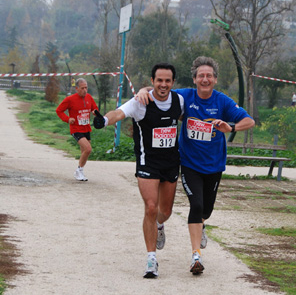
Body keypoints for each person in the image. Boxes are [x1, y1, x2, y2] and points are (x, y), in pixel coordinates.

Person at [137, 56, 255, 275]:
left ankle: (200, 225)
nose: (205, 79)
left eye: (209, 75)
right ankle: (195, 257)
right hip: (189, 163)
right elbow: (160, 89)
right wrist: (142, 91)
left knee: (205, 211)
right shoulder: (185, 96)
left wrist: (230, 127)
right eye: (201, 75)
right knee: (196, 205)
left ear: (215, 80)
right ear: (194, 79)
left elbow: (250, 121)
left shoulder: (222, 101)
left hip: (215, 165)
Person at [93, 63, 184, 279]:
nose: (163, 84)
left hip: (171, 163)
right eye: (159, 80)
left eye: (167, 81)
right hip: (147, 162)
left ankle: (160, 225)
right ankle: (151, 259)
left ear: (172, 83)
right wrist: (104, 120)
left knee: (165, 212)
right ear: (152, 81)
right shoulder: (141, 101)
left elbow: (191, 115)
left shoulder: (179, 101)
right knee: (151, 208)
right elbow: (119, 113)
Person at [56, 78, 98, 181]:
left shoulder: (89, 97)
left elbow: (94, 107)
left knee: (85, 150)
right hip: (76, 128)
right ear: (77, 88)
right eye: (82, 88)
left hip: (86, 127)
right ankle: (79, 171)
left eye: (86, 88)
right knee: (88, 149)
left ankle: (80, 171)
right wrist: (67, 119)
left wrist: (95, 112)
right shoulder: (70, 99)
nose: (85, 90)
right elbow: (59, 110)